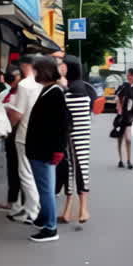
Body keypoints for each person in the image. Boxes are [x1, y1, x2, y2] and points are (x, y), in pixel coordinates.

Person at [25, 56, 69, 243]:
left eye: (36, 70)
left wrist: (58, 149)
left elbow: (61, 125)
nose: (33, 73)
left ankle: (50, 227)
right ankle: (44, 218)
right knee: (44, 187)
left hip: (44, 151)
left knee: (45, 189)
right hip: (41, 149)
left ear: (43, 71)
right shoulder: (50, 90)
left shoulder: (54, 93)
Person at [58, 56, 95, 225]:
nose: (60, 68)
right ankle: (71, 210)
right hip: (77, 135)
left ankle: (82, 209)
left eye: (63, 65)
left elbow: (66, 110)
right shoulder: (77, 86)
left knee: (78, 169)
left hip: (76, 135)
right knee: (73, 170)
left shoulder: (74, 88)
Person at [6, 55, 43, 222]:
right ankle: (30, 207)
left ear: (24, 65)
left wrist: (8, 125)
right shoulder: (43, 83)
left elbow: (18, 113)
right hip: (38, 133)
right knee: (34, 172)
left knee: (25, 173)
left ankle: (33, 210)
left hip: (24, 133)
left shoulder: (24, 84)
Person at [0, 65, 23, 215]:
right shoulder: (8, 92)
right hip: (12, 136)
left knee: (18, 170)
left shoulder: (16, 93)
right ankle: (13, 202)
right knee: (14, 169)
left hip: (16, 135)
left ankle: (17, 204)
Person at [115, 68, 133, 169]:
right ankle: (120, 160)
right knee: (120, 138)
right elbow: (117, 96)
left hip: (130, 117)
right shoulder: (123, 86)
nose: (129, 76)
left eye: (131, 75)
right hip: (121, 115)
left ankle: (129, 160)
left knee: (129, 139)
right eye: (128, 75)